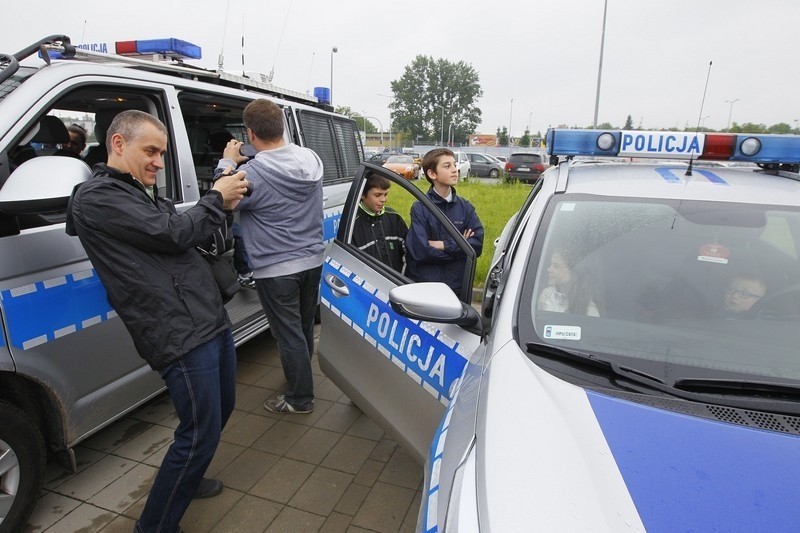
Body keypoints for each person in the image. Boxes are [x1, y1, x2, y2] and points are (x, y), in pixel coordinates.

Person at [66, 110, 250, 533]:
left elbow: (182, 231)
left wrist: (222, 207)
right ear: (117, 144)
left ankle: (189, 474)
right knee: (198, 432)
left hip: (205, 316)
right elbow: (171, 235)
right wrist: (215, 198)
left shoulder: (140, 190)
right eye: (150, 151)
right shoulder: (98, 197)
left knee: (221, 410)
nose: (158, 162)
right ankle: (155, 525)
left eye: (161, 153)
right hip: (177, 329)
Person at [216, 98, 323, 414]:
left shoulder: (252, 174)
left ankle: (300, 398)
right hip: (312, 260)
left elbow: (221, 196)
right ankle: (301, 379)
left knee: (287, 333)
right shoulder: (310, 158)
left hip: (276, 268)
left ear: (250, 133)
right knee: (302, 327)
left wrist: (227, 161)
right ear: (282, 126)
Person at [405, 147, 484, 296]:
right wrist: (460, 249)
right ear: (432, 173)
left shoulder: (466, 207)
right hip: (426, 289)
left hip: (457, 289)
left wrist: (443, 245)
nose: (455, 170)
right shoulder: (420, 208)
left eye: (454, 164)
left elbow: (476, 246)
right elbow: (421, 251)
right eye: (447, 166)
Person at [352, 172, 408, 273]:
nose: (384, 199)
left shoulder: (395, 218)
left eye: (386, 194)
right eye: (377, 195)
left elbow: (408, 253)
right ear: (363, 195)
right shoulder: (353, 224)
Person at [537, 247, 600, 316]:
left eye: (556, 266)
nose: (549, 269)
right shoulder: (546, 295)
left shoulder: (590, 311)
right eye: (551, 264)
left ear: (574, 275)